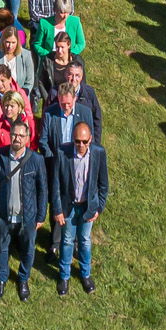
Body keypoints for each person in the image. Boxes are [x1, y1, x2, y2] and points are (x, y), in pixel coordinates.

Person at [0, 116, 48, 300]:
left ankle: (23, 279)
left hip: (27, 216)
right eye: (14, 134)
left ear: (27, 137)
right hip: (4, 214)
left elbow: (42, 189)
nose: (17, 139)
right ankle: (1, 278)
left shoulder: (36, 160)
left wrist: (41, 216)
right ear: (9, 135)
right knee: (2, 247)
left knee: (28, 250)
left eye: (21, 136)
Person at [49, 119, 108, 294]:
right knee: (67, 241)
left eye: (84, 141)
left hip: (87, 207)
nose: (81, 145)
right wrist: (57, 209)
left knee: (85, 241)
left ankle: (85, 274)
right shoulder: (62, 152)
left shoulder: (99, 153)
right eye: (77, 141)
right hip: (69, 206)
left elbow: (103, 184)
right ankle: (64, 276)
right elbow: (56, 184)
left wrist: (98, 208)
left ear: (91, 139)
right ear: (72, 140)